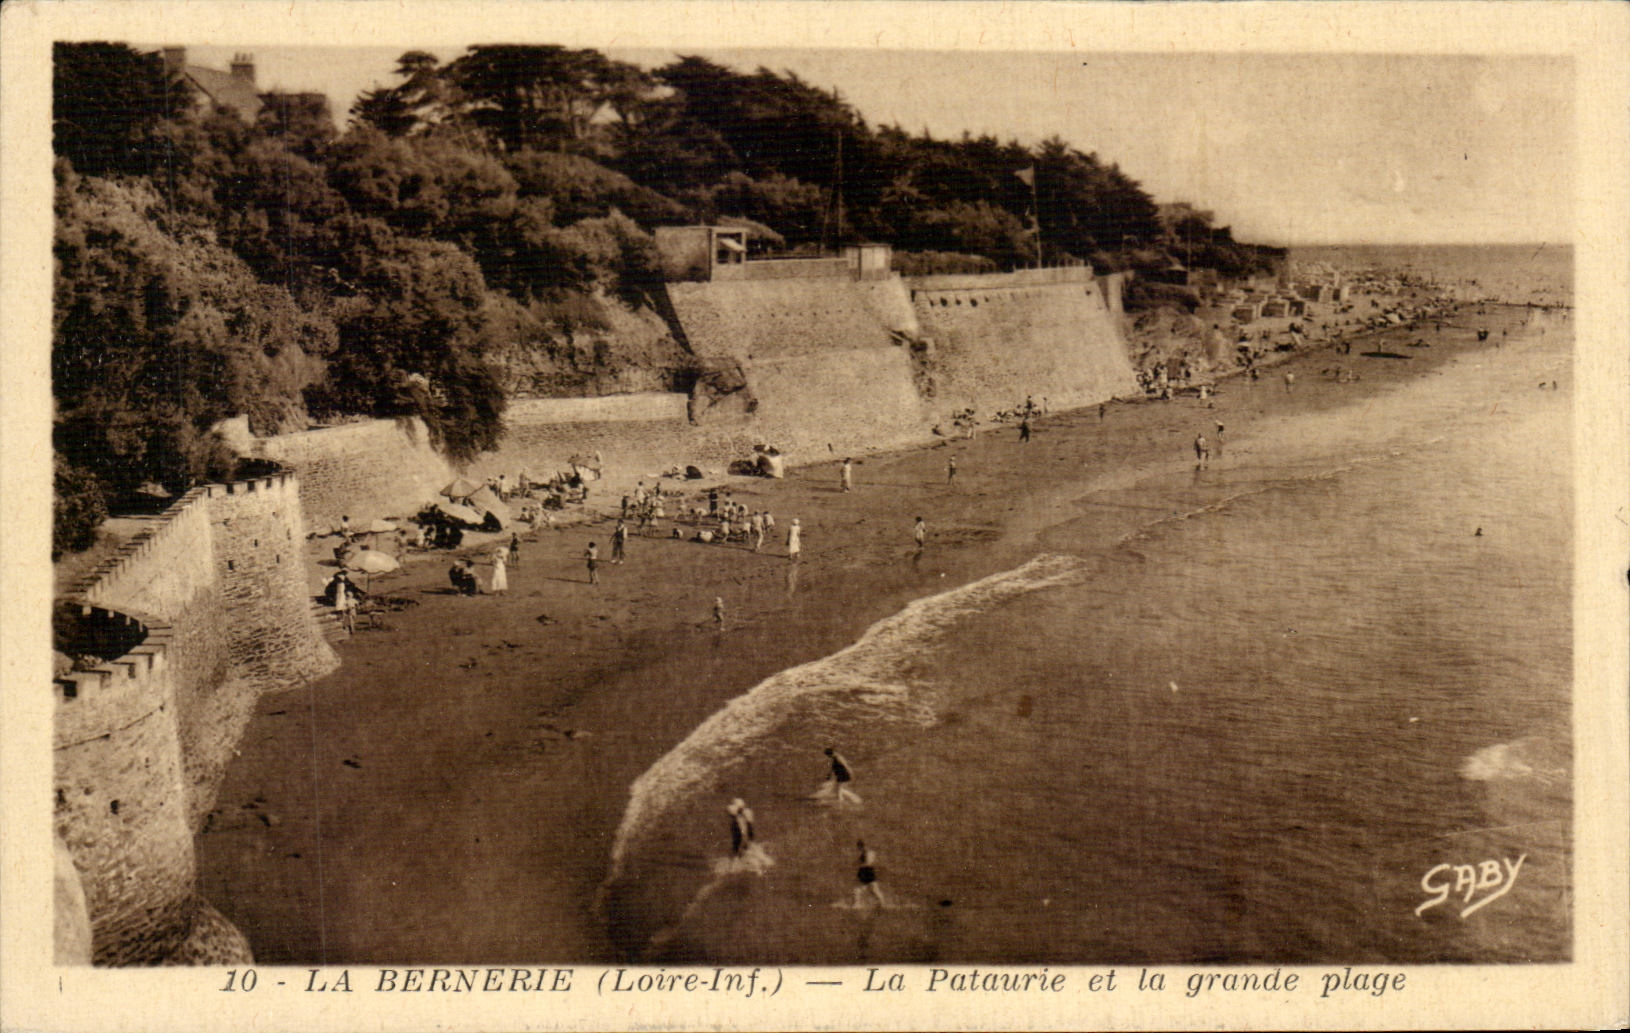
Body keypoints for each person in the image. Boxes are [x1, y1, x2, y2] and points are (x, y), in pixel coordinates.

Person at [854, 840, 885, 908]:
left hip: (866, 871)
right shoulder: (868, 852)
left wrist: (860, 866)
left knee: (860, 889)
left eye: (858, 847)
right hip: (869, 871)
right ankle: (881, 903)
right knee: (873, 889)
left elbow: (866, 862)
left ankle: (857, 904)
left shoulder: (866, 853)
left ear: (860, 846)